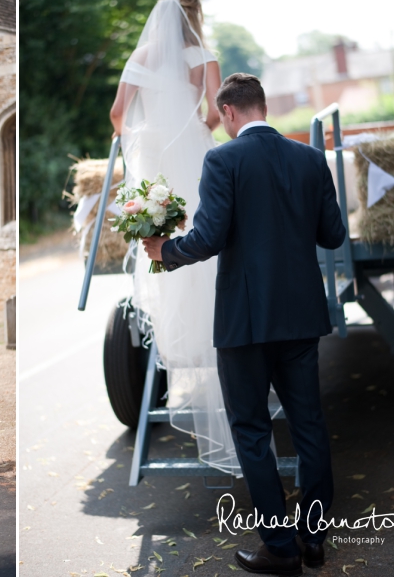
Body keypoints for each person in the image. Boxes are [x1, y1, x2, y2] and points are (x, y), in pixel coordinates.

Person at [143, 73, 345, 575]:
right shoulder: (311, 159)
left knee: (253, 431)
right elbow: (333, 236)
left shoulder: (223, 159)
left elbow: (208, 237)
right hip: (300, 317)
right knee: (310, 427)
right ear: (263, 106)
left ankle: (280, 550)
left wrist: (164, 250)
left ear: (228, 113)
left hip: (245, 322)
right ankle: (315, 542)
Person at [108, 0, 236, 474]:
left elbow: (119, 115)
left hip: (155, 168)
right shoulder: (202, 55)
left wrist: (142, 141)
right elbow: (214, 114)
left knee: (163, 246)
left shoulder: (140, 55)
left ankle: (176, 344)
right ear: (193, 16)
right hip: (194, 159)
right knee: (208, 245)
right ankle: (221, 341)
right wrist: (194, 128)